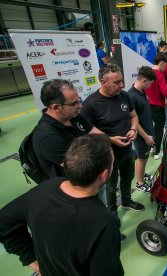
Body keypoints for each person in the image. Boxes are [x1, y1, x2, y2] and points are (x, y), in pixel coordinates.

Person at [0, 134, 124, 276]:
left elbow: (3, 222)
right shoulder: (103, 222)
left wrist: (30, 258)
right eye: (112, 163)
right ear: (103, 175)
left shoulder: (45, 188)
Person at [81, 64, 144, 215]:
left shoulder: (124, 96)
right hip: (107, 154)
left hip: (127, 150)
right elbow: (87, 133)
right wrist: (110, 140)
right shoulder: (90, 104)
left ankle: (127, 200)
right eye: (116, 82)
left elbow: (133, 116)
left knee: (127, 177)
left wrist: (133, 129)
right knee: (110, 184)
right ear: (103, 82)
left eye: (121, 81)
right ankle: (112, 211)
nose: (121, 85)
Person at [33, 79, 101, 179]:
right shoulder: (47, 136)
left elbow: (92, 130)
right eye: (74, 103)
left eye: (79, 100)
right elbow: (80, 167)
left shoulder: (73, 115)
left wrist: (111, 139)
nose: (80, 106)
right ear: (56, 108)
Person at [127, 66, 157, 192]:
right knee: (142, 159)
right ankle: (140, 183)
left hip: (147, 132)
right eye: (150, 84)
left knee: (144, 158)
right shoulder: (132, 96)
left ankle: (141, 175)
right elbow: (134, 121)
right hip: (141, 136)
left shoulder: (141, 92)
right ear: (144, 81)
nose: (150, 87)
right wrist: (146, 136)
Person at [146, 53, 167, 159]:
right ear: (162, 63)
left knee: (153, 127)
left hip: (149, 105)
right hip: (158, 107)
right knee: (159, 129)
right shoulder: (159, 75)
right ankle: (156, 152)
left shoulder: (147, 73)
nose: (166, 68)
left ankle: (152, 147)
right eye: (165, 65)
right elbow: (166, 91)